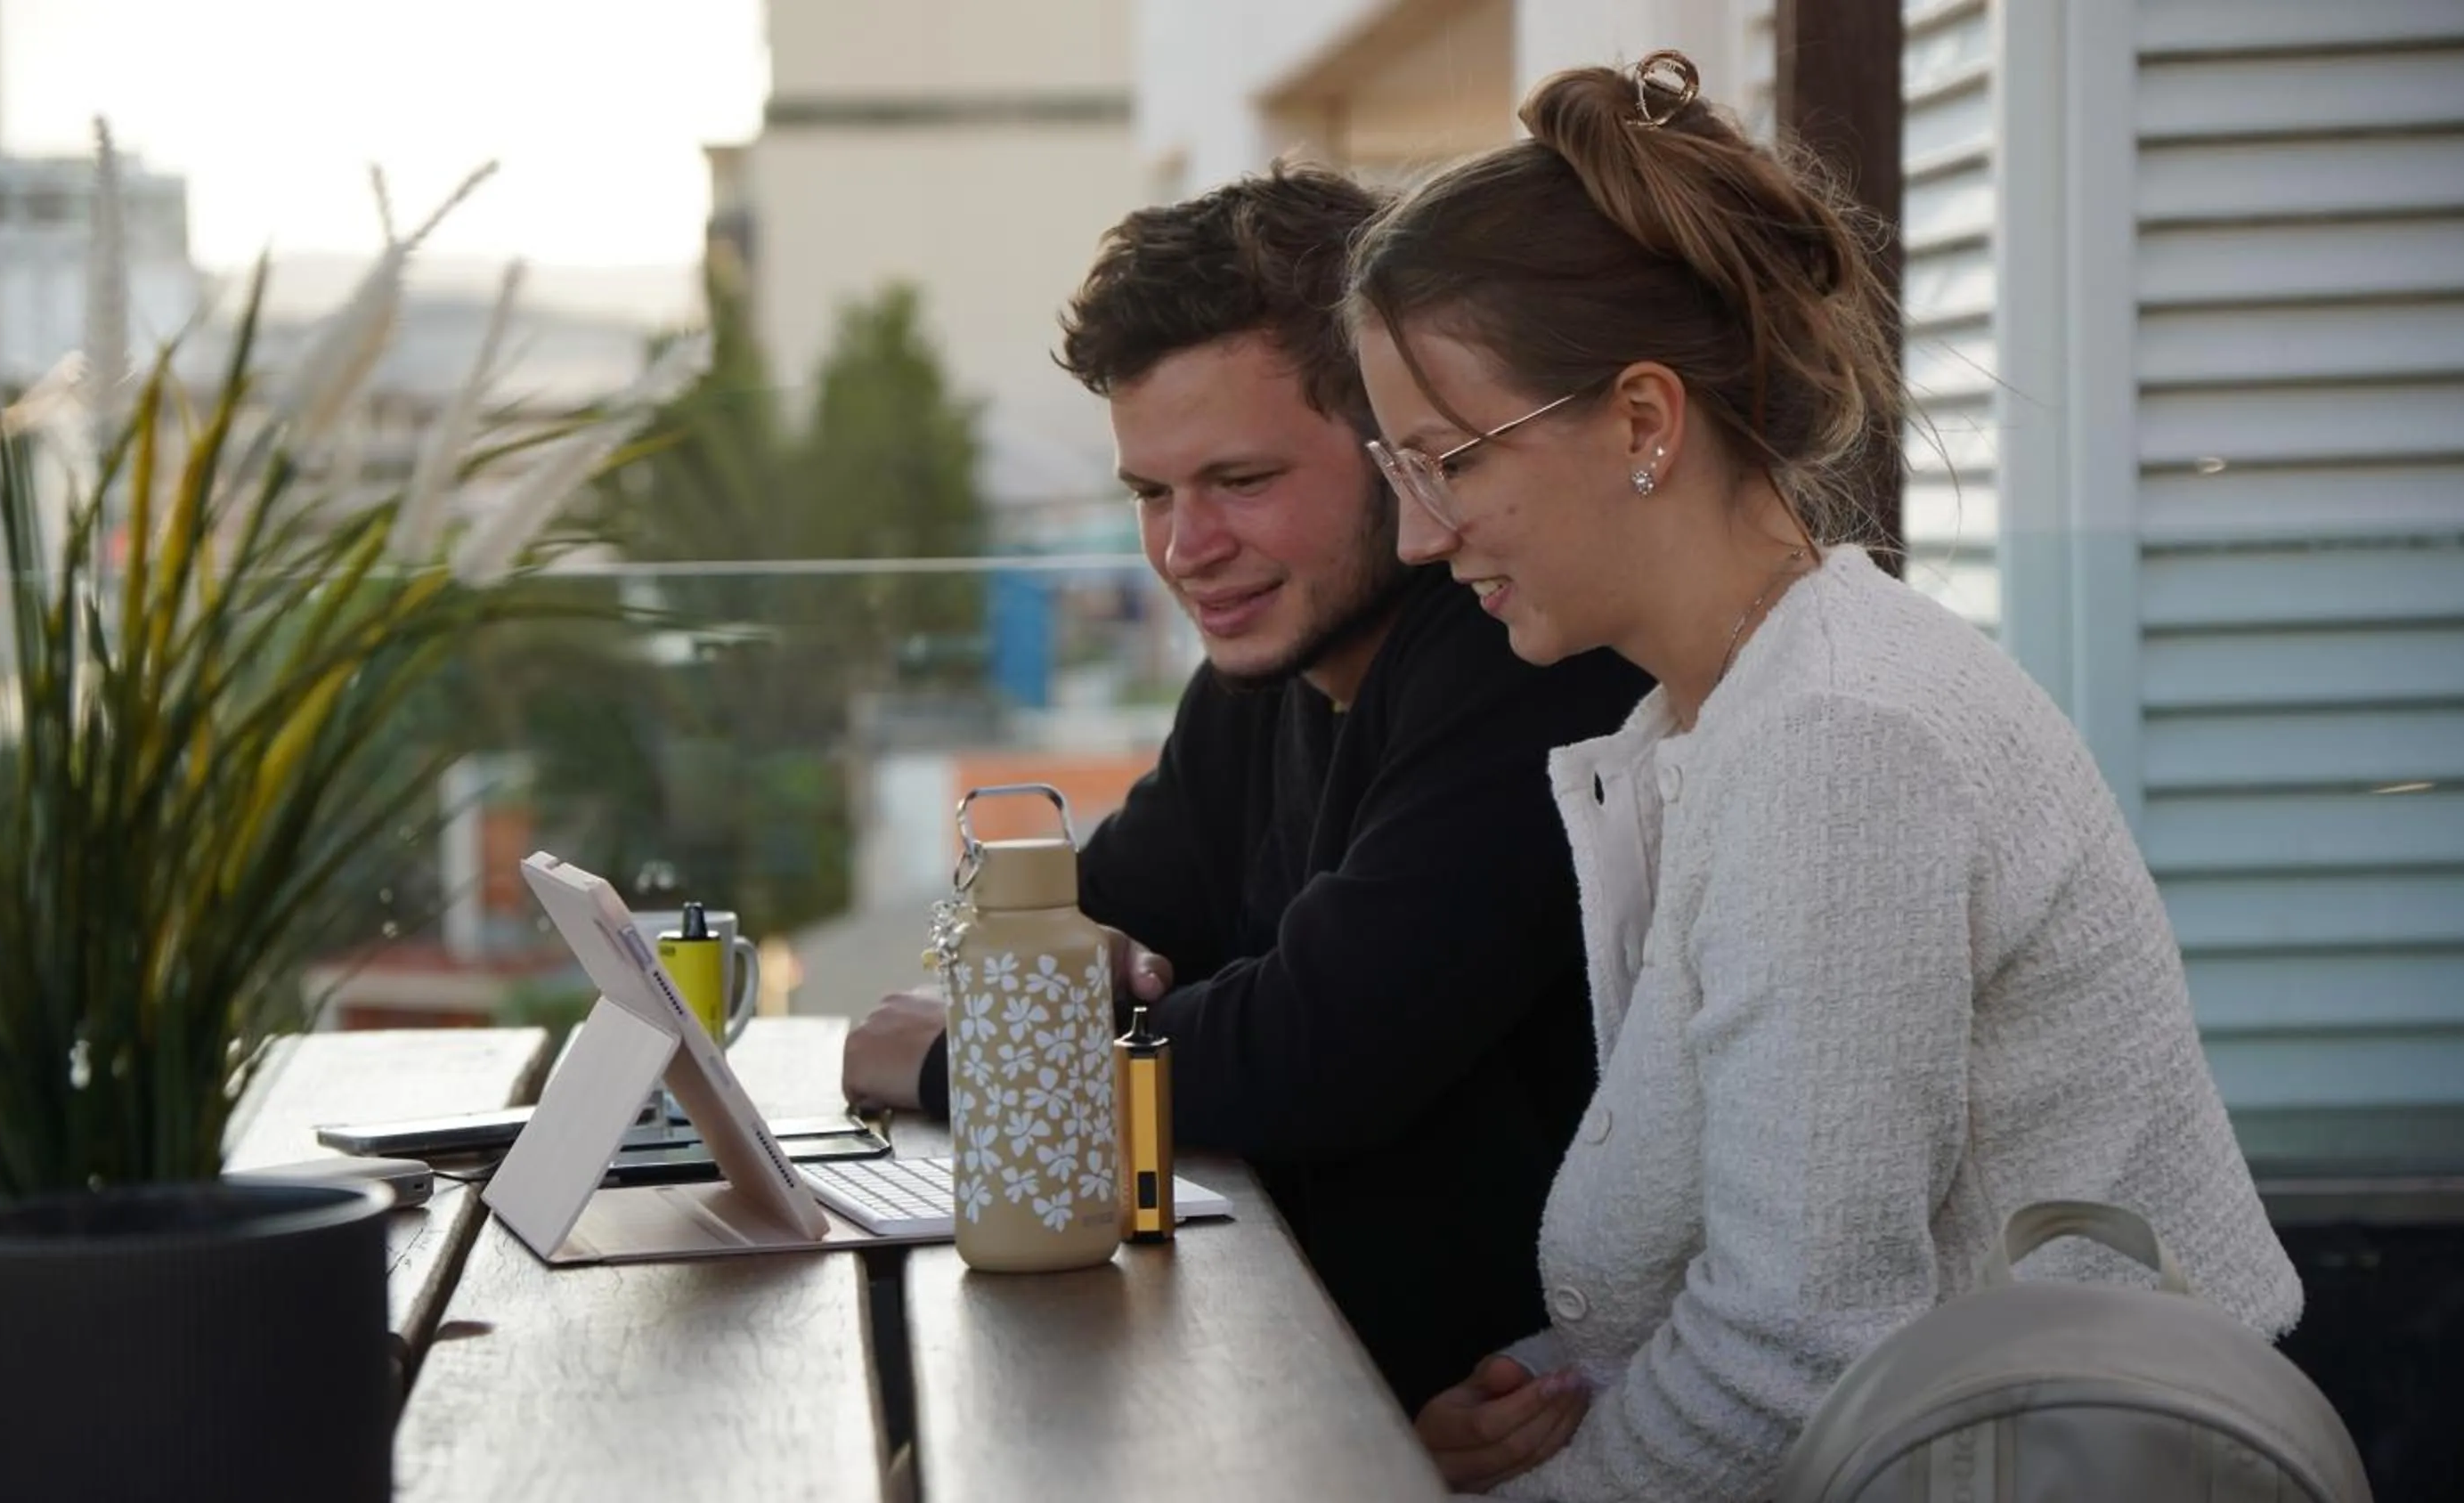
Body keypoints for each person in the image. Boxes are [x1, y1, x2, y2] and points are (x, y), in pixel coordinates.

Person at [1343, 52, 2302, 1499]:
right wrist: (1555, 1398)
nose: (1419, 537)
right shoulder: (1732, 716)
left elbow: (1797, 1351)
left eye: (1446, 462)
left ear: (1646, 422)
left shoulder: (1839, 747)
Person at [842, 165, 1656, 1413]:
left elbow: (1315, 1047)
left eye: (1241, 482)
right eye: (1152, 495)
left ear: (1398, 449)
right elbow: (1069, 918)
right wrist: (1052, 988)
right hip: (1314, 1372)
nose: (1185, 550)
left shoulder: (1517, 660)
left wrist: (972, 1066)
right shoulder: (1260, 683)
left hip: (1526, 1411)